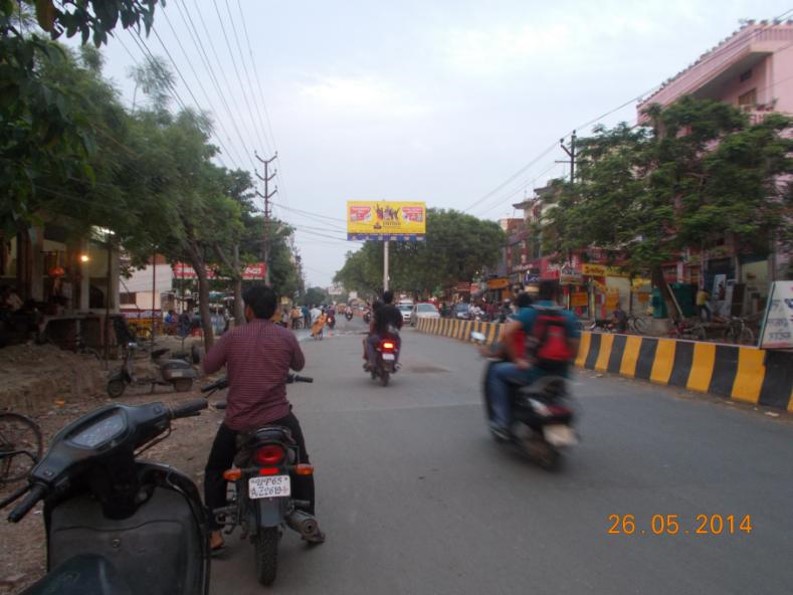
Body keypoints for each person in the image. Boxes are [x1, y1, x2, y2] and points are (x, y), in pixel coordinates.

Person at [202, 285, 324, 551]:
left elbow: (207, 366)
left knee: (215, 470)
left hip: (238, 422)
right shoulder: (285, 336)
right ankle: (309, 523)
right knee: (301, 462)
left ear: (247, 309)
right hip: (279, 418)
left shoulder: (233, 337)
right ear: (274, 311)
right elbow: (299, 366)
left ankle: (213, 532)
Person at [486, 281, 580, 440]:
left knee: (496, 372)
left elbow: (508, 333)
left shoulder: (529, 313)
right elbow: (575, 349)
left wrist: (517, 360)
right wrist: (565, 364)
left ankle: (502, 423)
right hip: (561, 375)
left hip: (533, 373)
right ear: (558, 295)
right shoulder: (568, 316)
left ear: (538, 294)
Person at [364, 290, 403, 369]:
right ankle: (395, 362)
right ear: (392, 299)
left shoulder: (379, 311)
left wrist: (371, 332)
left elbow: (373, 323)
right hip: (393, 337)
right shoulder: (396, 310)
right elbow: (401, 322)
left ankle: (372, 362)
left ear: (383, 299)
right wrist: (396, 330)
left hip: (380, 336)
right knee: (398, 343)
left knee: (368, 341)